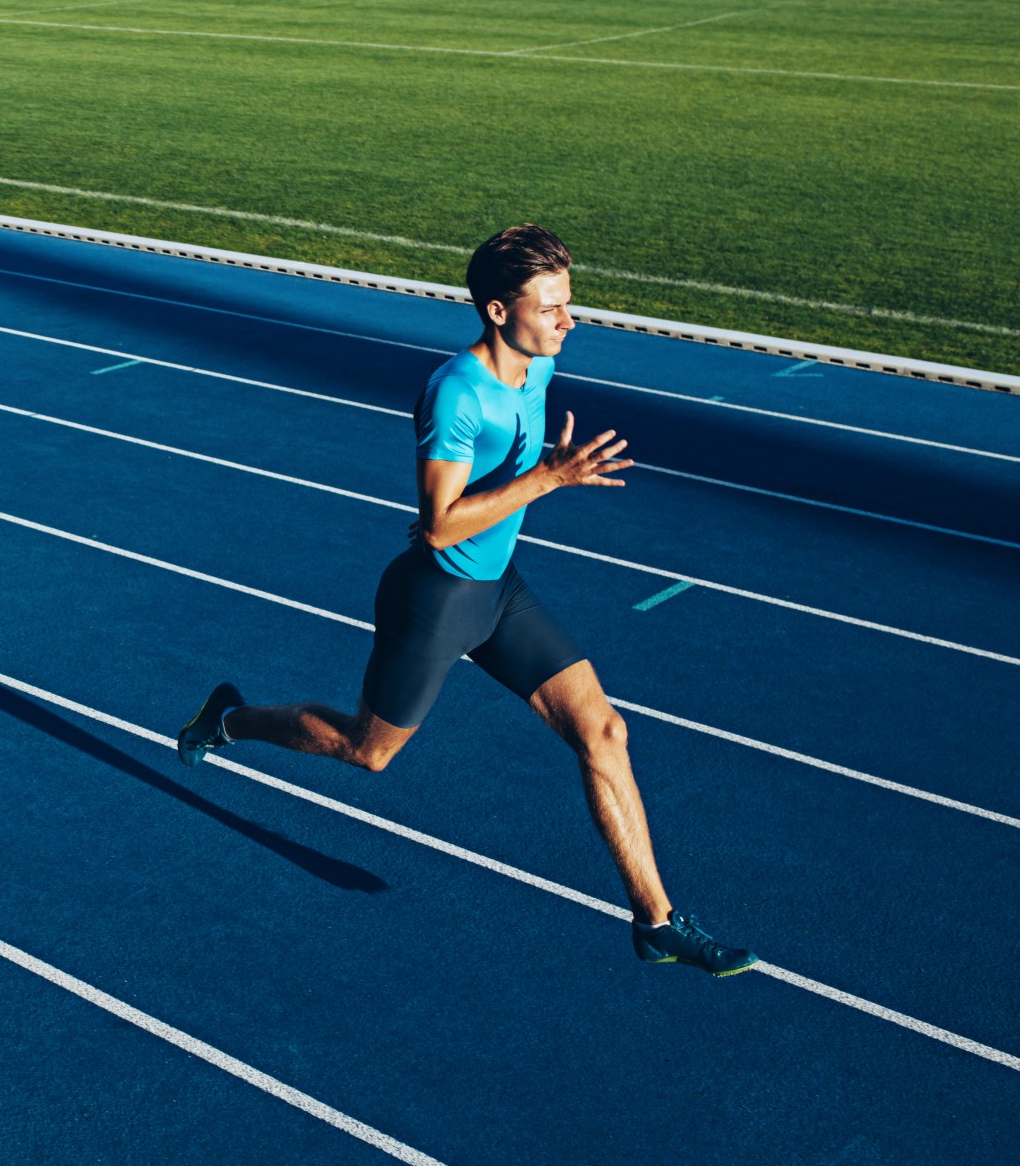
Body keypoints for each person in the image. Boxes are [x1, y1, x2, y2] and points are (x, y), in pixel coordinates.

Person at [176, 225, 756, 976]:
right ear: (495, 311)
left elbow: (479, 491)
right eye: (549, 308)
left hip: (499, 590)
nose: (567, 321)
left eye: (567, 304)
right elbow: (442, 524)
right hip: (437, 598)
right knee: (369, 751)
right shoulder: (454, 392)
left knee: (602, 731)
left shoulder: (535, 372)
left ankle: (656, 921)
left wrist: (535, 471)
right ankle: (227, 718)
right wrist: (547, 478)